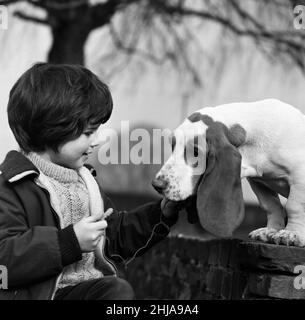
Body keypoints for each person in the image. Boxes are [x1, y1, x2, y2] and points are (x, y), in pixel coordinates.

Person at [0, 63, 183, 300]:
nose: (96, 141)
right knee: (115, 292)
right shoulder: (12, 186)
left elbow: (114, 236)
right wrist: (69, 243)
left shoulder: (85, 181)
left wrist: (161, 214)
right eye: (88, 133)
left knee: (115, 290)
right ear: (53, 130)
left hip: (87, 291)